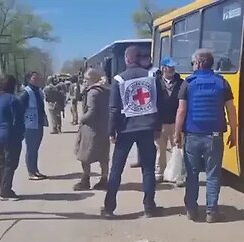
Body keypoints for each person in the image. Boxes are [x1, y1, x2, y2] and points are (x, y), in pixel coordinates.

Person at [174, 49, 238, 223]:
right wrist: (234, 132)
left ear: (200, 63)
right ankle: (211, 212)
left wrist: (177, 134)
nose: (193, 66)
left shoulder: (188, 83)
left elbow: (181, 111)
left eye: (193, 63)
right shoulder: (221, 82)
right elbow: (231, 110)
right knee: (213, 174)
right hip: (215, 135)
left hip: (193, 135)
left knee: (192, 173)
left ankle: (192, 210)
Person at [103, 45, 163, 218]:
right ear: (140, 58)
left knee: (116, 169)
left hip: (125, 129)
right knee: (148, 169)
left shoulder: (119, 79)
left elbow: (114, 108)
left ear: (127, 59)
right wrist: (157, 127)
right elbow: (160, 104)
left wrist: (111, 131)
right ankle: (149, 207)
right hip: (147, 128)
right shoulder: (152, 76)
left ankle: (109, 208)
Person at [0, 75, 24, 201]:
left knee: (2, 163)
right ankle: (5, 191)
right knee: (11, 163)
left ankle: (3, 188)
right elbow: (18, 120)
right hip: (10, 135)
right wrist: (20, 134)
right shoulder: (13, 100)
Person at [73, 68, 110, 191]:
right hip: (104, 127)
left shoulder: (93, 92)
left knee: (85, 155)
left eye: (86, 79)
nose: (84, 81)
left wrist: (82, 119)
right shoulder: (106, 90)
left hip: (91, 129)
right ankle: (104, 179)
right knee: (103, 156)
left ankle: (85, 180)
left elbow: (91, 111)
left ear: (93, 79)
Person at [154, 57, 184, 185]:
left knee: (177, 149)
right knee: (160, 150)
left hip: (176, 123)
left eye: (173, 67)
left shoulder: (181, 83)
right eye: (169, 67)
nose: (171, 69)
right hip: (160, 122)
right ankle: (159, 173)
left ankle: (178, 176)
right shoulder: (155, 82)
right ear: (163, 68)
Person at [19, 71, 49, 181]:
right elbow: (20, 110)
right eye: (34, 78)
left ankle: (35, 170)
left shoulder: (39, 91)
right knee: (31, 149)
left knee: (35, 149)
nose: (37, 80)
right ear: (29, 79)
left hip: (39, 123)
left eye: (38, 78)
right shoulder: (26, 93)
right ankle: (31, 172)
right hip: (30, 125)